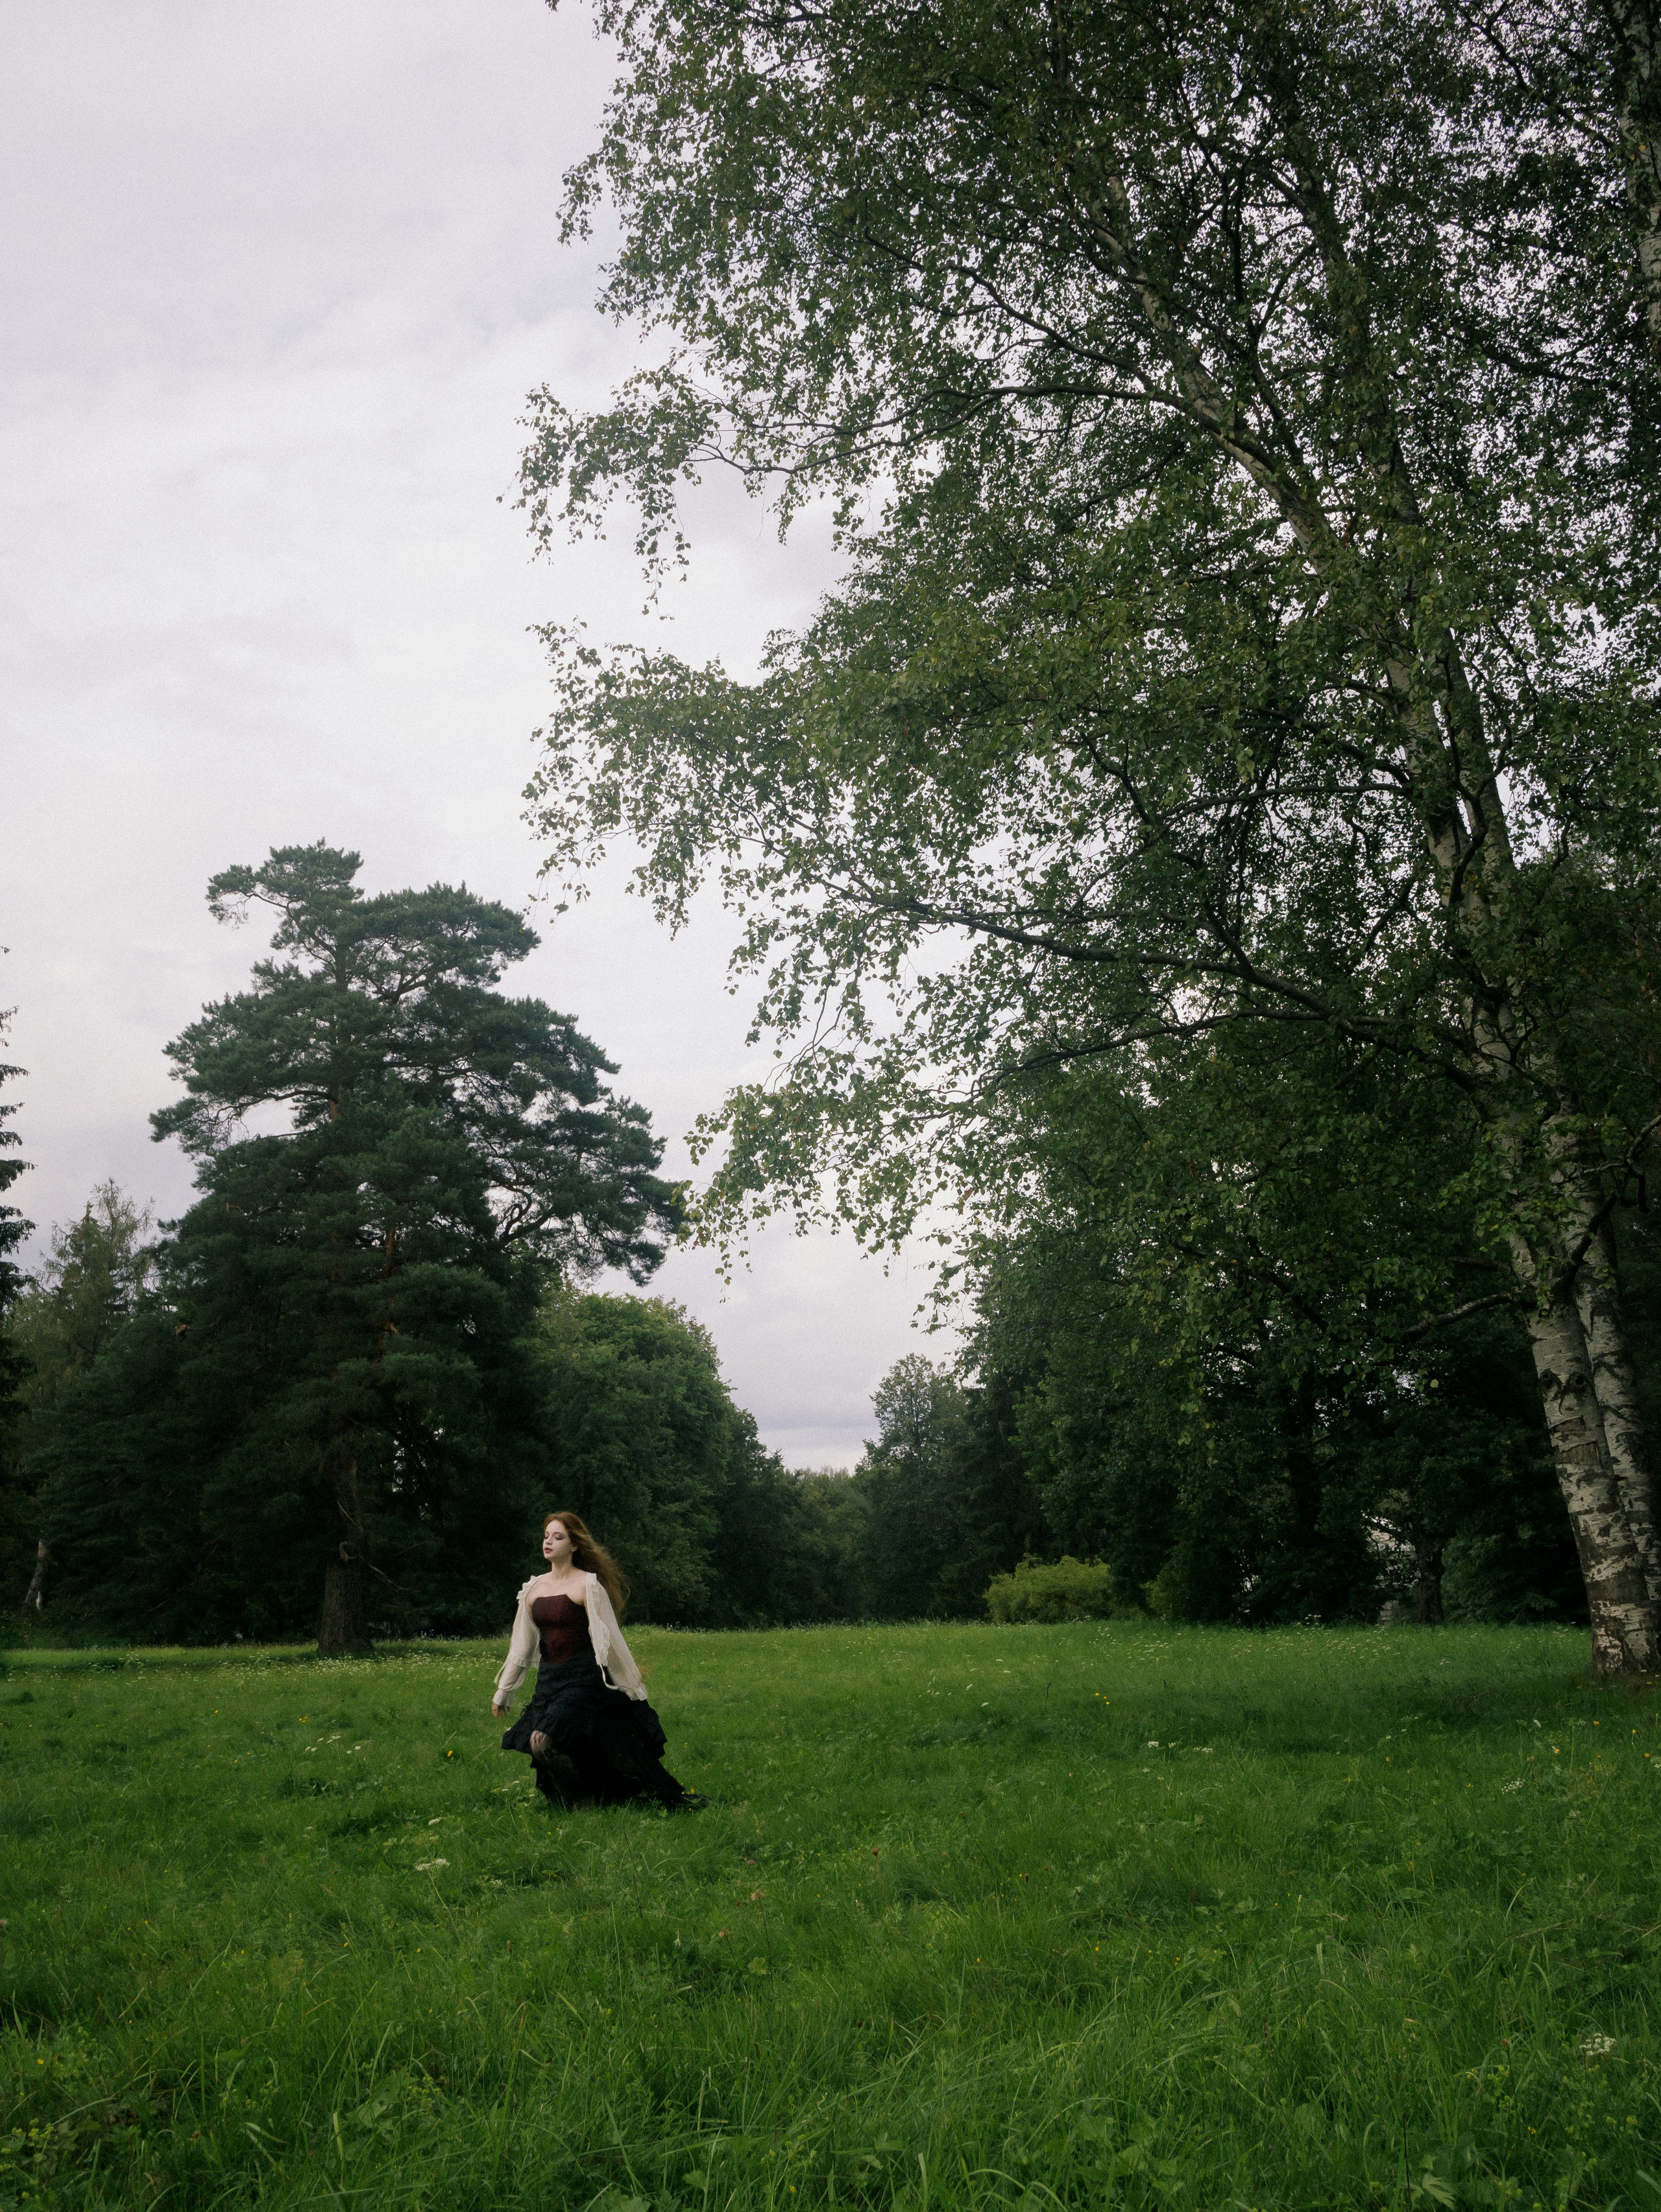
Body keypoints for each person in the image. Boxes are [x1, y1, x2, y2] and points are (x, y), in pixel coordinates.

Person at [492, 1511, 699, 1809]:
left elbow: (612, 1641)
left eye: (558, 1537)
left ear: (574, 1545)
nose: (549, 1542)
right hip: (550, 1681)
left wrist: (632, 1687)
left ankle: (584, 1804)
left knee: (542, 1739)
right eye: (546, 1536)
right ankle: (580, 1803)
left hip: (584, 1680)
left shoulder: (587, 1586)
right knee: (557, 1746)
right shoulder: (534, 1589)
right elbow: (521, 1645)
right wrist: (505, 1691)